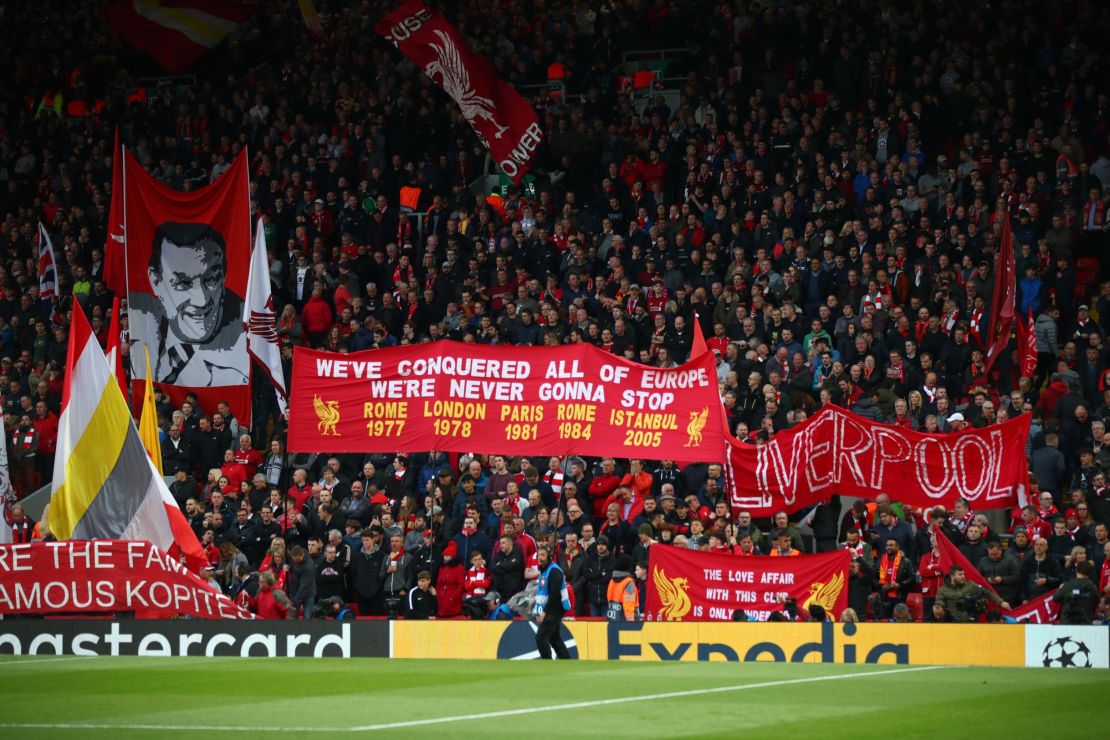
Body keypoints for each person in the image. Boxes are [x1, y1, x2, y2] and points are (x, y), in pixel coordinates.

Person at [130, 222, 248, 387]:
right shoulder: (137, 320)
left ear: (224, 275)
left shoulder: (250, 338)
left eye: (212, 278)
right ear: (155, 280)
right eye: (183, 283)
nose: (202, 300)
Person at [534, 545, 573, 660]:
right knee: (554, 639)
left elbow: (554, 595)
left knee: (541, 638)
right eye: (539, 555)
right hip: (550, 609)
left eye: (543, 555)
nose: (540, 558)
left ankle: (547, 663)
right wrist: (538, 611)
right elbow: (542, 595)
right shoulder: (545, 570)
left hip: (553, 610)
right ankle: (567, 662)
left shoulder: (554, 571)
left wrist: (544, 612)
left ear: (549, 557)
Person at [935, 565, 1010, 622]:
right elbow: (939, 602)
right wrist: (937, 607)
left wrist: (1001, 602)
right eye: (960, 575)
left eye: (963, 574)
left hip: (972, 621)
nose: (963, 576)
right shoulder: (942, 590)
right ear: (952, 576)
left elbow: (985, 591)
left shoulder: (970, 584)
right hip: (954, 623)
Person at [606, 554, 640, 621]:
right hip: (625, 623)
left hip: (612, 619)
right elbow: (628, 605)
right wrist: (631, 624)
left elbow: (609, 599)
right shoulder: (628, 583)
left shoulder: (612, 581)